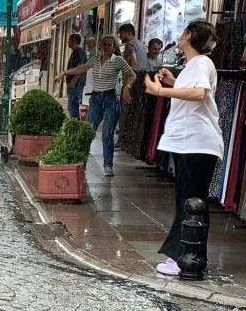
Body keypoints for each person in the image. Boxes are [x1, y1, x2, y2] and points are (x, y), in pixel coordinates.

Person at [144, 21, 223, 277]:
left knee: (189, 201)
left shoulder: (200, 62)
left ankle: (184, 258)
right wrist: (174, 82)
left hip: (195, 142)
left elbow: (200, 94)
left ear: (189, 36)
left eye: (183, 32)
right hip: (194, 142)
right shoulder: (197, 64)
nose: (179, 36)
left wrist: (161, 91)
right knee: (191, 201)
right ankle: (192, 257)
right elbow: (199, 95)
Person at [54, 35, 134, 177]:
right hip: (96, 99)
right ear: (100, 46)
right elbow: (82, 68)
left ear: (114, 47)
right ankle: (82, 162)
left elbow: (132, 74)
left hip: (110, 99)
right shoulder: (95, 59)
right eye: (103, 44)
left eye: (109, 45)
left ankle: (108, 166)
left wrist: (127, 87)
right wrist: (65, 73)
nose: (106, 47)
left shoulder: (118, 60)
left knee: (107, 133)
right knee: (88, 131)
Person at [64, 32, 87, 119]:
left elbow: (80, 67)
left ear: (74, 40)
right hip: (75, 83)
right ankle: (74, 122)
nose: (67, 42)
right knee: (72, 106)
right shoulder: (75, 51)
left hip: (76, 84)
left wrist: (73, 81)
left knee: (72, 106)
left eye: (69, 40)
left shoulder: (78, 51)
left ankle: (75, 124)